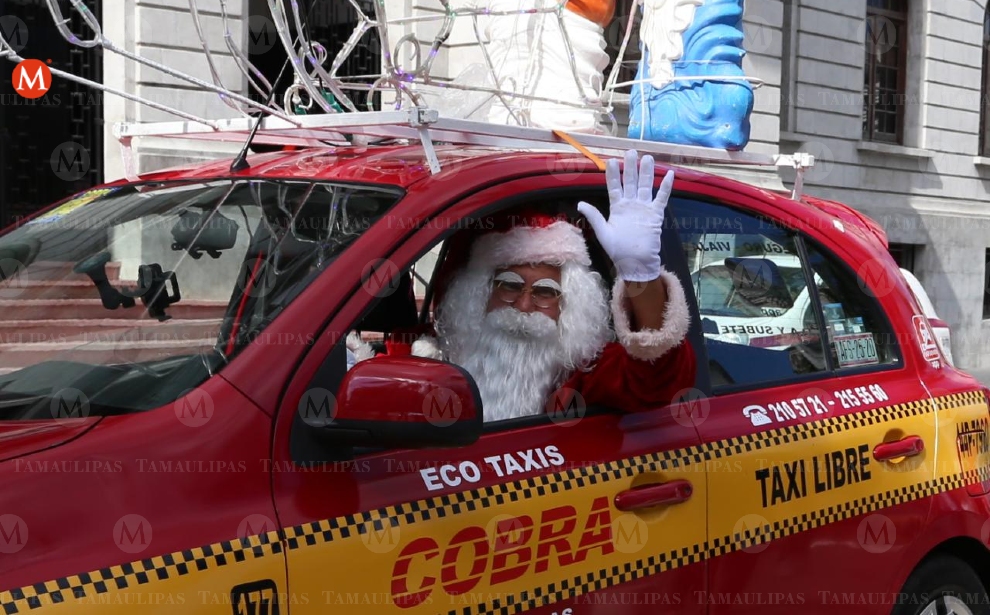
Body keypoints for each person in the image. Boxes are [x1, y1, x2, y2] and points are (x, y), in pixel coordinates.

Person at [348, 150, 695, 421]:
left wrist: (640, 275)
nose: (524, 306)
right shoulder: (426, 353)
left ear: (569, 304)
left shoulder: (582, 371)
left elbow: (656, 377)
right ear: (481, 292)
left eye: (545, 292)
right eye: (509, 286)